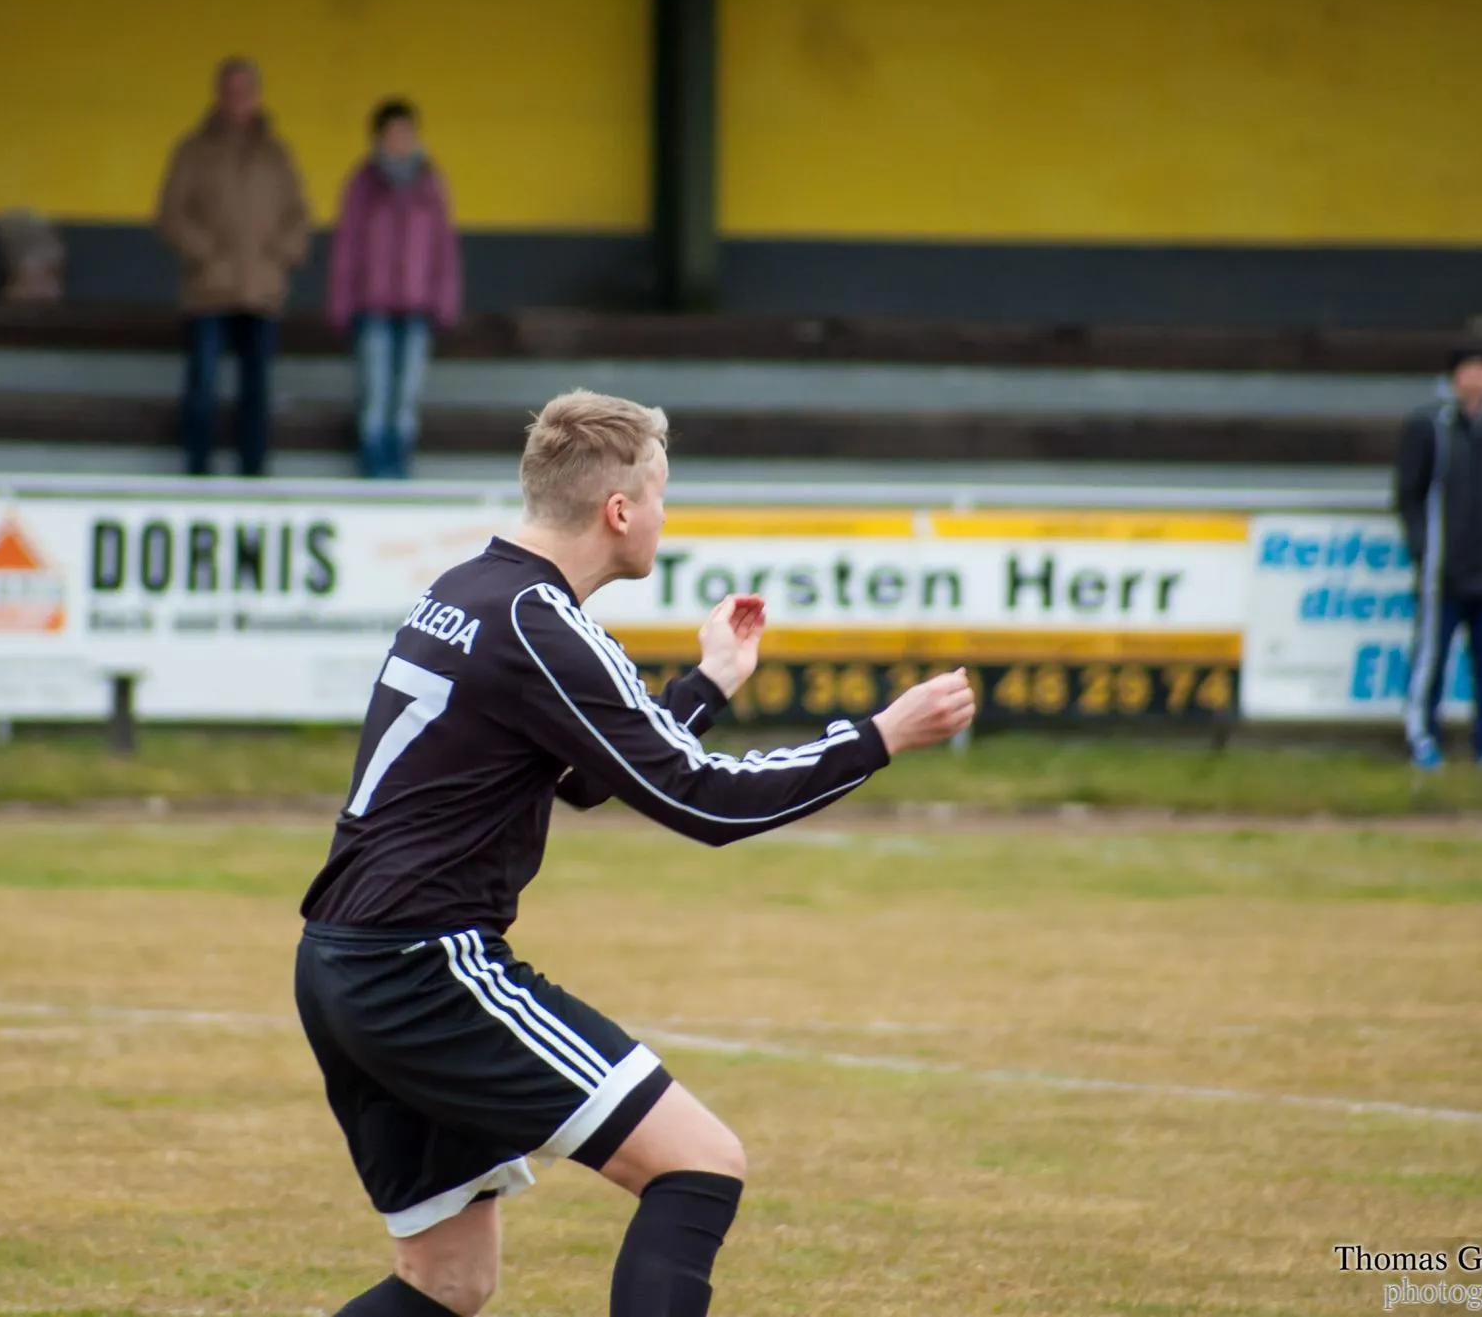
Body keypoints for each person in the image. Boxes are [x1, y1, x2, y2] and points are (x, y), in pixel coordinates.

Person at [293, 389, 977, 1317]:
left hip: (341, 963)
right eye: (661, 494)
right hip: (422, 968)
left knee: (448, 1279)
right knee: (700, 1162)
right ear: (619, 510)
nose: (663, 514)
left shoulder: (469, 590)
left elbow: (581, 776)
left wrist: (709, 682)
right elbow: (706, 801)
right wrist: (879, 736)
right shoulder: (542, 622)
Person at [156, 57, 312, 478]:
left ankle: (253, 474)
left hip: (261, 291)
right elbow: (170, 215)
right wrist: (205, 252)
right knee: (202, 389)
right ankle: (198, 472)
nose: (237, 99)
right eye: (230, 91)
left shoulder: (276, 154)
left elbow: (298, 215)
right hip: (208, 289)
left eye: (245, 91)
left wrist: (280, 253)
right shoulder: (193, 150)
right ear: (218, 95)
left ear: (257, 96)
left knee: (256, 390)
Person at [1395, 348, 1482, 772]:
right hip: (1444, 572)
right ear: (1454, 377)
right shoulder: (1430, 427)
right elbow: (1408, 495)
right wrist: (1424, 548)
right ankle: (1423, 738)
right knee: (1431, 662)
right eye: (1467, 370)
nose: (1475, 378)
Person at [327, 98, 461, 480]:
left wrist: (445, 299)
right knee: (375, 394)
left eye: (406, 133)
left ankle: (400, 467)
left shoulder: (430, 183)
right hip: (373, 306)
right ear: (378, 138)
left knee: (406, 397)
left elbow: (443, 247)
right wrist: (341, 300)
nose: (400, 140)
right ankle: (373, 467)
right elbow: (347, 246)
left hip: (417, 306)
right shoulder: (363, 183)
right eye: (392, 134)